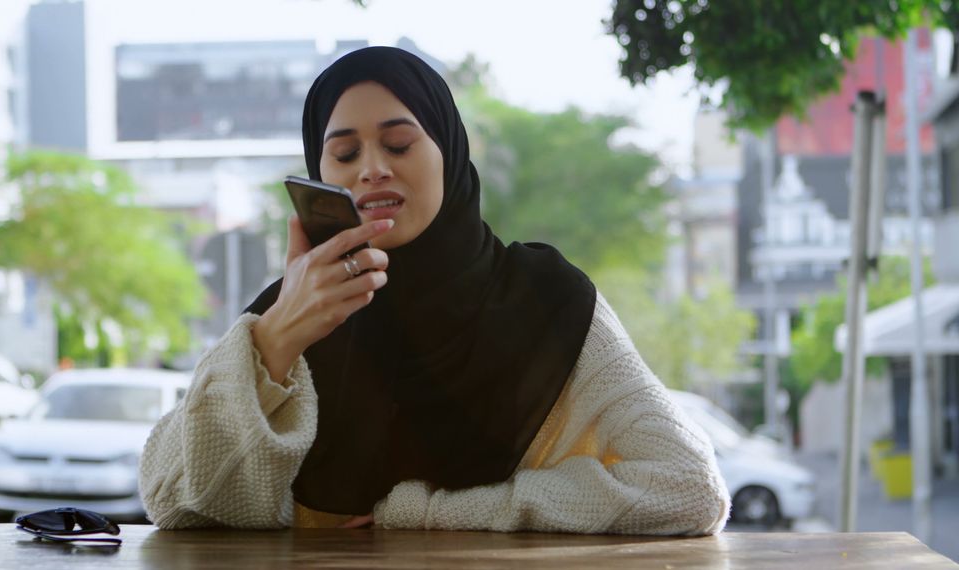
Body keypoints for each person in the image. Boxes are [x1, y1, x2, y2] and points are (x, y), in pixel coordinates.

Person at [139, 46, 730, 534]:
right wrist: (273, 341)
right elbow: (168, 499)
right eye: (344, 153)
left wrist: (429, 513)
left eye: (398, 145)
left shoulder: (544, 300)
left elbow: (689, 487)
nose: (372, 169)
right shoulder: (296, 304)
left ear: (449, 152)